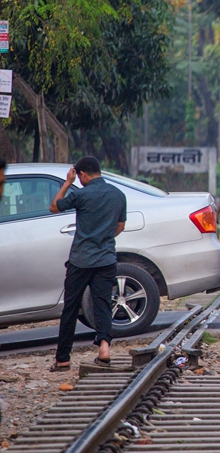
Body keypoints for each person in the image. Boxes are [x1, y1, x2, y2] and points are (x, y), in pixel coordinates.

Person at [47, 157, 126, 371]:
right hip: (106, 259)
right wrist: (105, 238)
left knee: (71, 308)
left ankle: (63, 358)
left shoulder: (81, 194)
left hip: (81, 261)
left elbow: (54, 206)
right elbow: (120, 225)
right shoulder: (118, 195)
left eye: (78, 177)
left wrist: (66, 183)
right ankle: (104, 348)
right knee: (102, 305)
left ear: (81, 175)